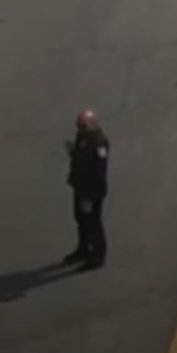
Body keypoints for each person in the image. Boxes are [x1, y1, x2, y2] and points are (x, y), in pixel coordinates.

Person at [64, 109, 110, 270]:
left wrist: (89, 195)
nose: (80, 129)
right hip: (81, 186)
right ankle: (83, 249)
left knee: (93, 222)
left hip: (91, 189)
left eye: (83, 126)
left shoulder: (98, 142)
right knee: (81, 219)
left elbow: (97, 169)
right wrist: (73, 153)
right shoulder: (83, 138)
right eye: (79, 126)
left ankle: (97, 255)